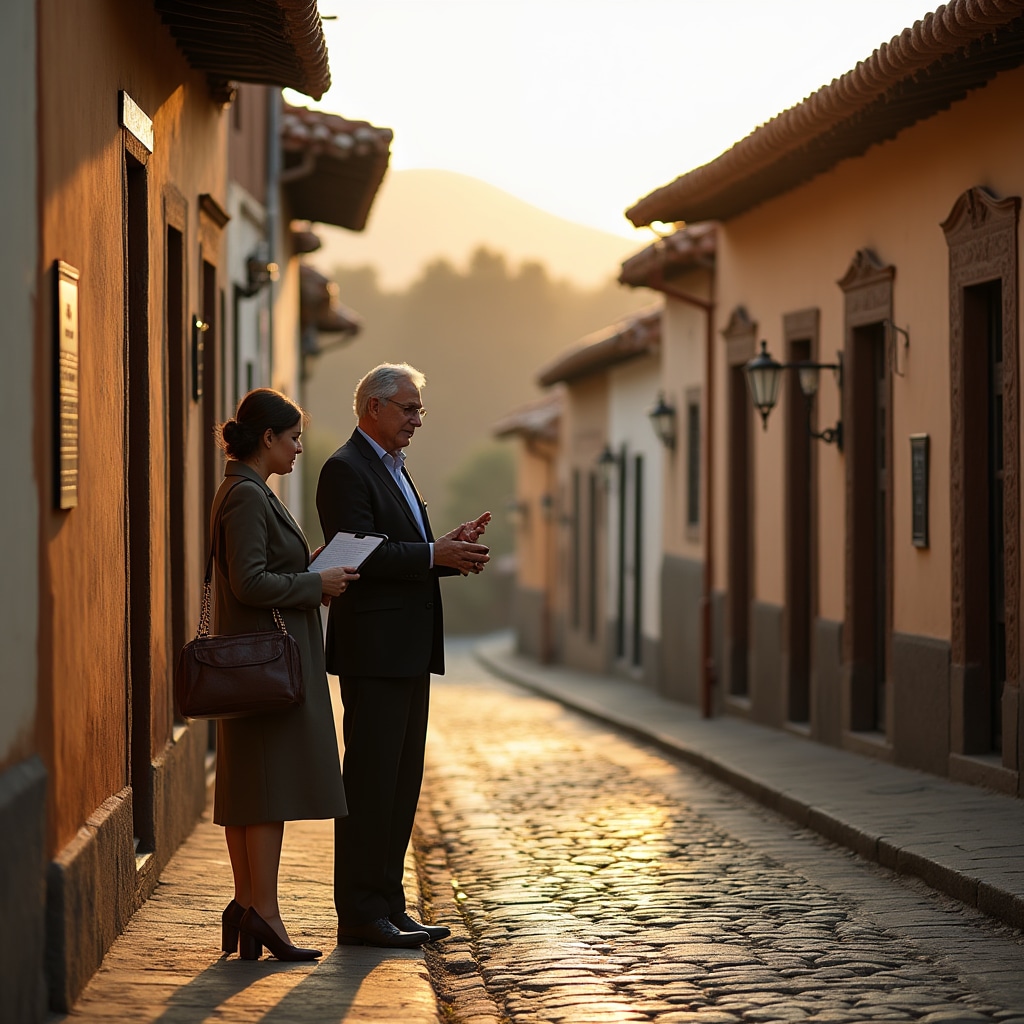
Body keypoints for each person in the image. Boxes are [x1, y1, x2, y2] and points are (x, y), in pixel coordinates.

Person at [316, 362, 491, 948]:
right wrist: (433, 554)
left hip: (409, 650)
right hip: (374, 652)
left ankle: (389, 903)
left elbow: (404, 550)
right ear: (374, 407)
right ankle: (360, 913)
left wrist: (447, 548)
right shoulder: (345, 469)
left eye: (419, 409)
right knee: (370, 785)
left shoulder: (394, 468)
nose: (418, 420)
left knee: (400, 783)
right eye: (409, 409)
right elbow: (361, 557)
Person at [212, 388, 358, 962]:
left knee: (250, 790)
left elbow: (259, 570)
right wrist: (314, 584)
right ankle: (263, 914)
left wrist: (308, 569)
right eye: (293, 438)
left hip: (254, 664)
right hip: (263, 666)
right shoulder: (248, 495)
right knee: (265, 793)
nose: (299, 448)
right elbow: (249, 581)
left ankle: (247, 903)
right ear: (267, 437)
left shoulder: (245, 490)